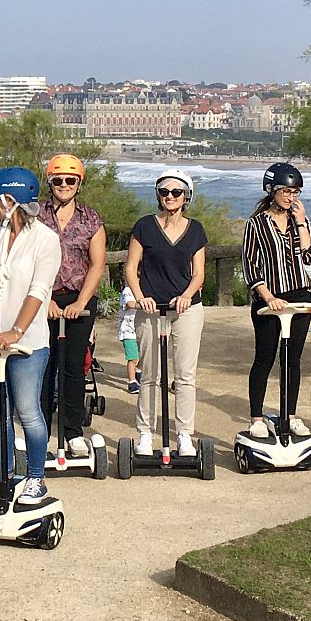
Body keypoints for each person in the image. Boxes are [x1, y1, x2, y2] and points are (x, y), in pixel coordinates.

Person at [0, 167, 60, 502]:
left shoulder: (46, 240)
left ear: (11, 200)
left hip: (29, 344)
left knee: (28, 411)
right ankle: (4, 476)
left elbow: (39, 289)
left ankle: (35, 477)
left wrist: (16, 330)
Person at [122, 169, 207, 457]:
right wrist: (139, 296)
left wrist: (186, 296)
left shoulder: (195, 230)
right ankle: (145, 433)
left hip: (186, 310)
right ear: (158, 195)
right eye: (164, 192)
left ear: (186, 196)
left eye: (176, 192)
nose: (170, 197)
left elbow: (199, 274)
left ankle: (184, 435)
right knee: (149, 376)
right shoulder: (145, 226)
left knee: (184, 375)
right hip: (150, 309)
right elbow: (131, 267)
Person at [242, 162, 311, 437]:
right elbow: (250, 265)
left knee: (292, 359)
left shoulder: (300, 220)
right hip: (269, 297)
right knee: (264, 358)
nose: (291, 197)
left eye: (295, 192)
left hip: (300, 295)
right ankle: (256, 417)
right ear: (271, 190)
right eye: (286, 191)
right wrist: (268, 297)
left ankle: (290, 414)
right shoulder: (257, 224)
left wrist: (301, 223)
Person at [38, 154, 107, 456]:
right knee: (42, 365)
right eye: (58, 180)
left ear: (79, 184)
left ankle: (73, 431)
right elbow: (26, 258)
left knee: (74, 366)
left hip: (79, 299)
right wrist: (45, 299)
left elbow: (97, 263)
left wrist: (81, 301)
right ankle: (37, 428)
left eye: (70, 180)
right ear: (50, 182)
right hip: (42, 297)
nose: (63, 185)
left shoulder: (90, 218)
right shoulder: (35, 215)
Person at [117, 284, 140, 394]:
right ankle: (132, 382)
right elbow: (130, 304)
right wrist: (145, 304)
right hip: (129, 332)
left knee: (144, 355)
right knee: (133, 358)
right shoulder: (128, 290)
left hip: (140, 330)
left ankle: (139, 372)